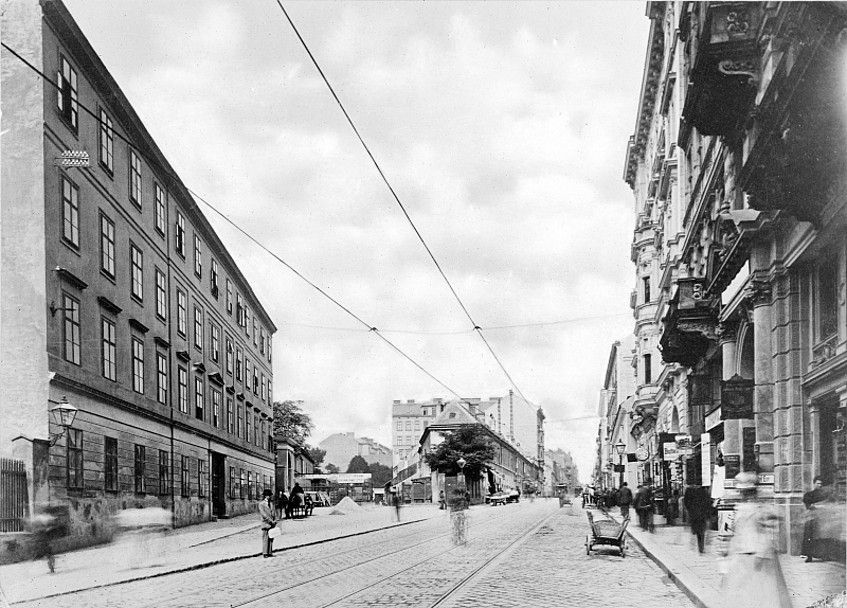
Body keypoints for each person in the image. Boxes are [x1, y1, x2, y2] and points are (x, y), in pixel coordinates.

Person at [721, 472, 790, 608]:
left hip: (758, 558)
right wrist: (726, 558)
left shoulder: (762, 509)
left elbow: (767, 534)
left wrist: (761, 554)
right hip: (741, 557)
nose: (745, 496)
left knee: (762, 594)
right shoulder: (737, 510)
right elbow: (732, 534)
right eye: (743, 492)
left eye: (747, 493)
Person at [683, 484, 711, 553]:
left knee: (696, 531)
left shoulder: (689, 490)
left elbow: (686, 502)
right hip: (701, 515)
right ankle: (700, 548)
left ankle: (694, 547)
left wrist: (690, 510)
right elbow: (707, 503)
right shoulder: (703, 491)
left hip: (694, 514)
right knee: (701, 532)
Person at [258, 489, 277, 558]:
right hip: (266, 523)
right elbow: (263, 515)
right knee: (265, 538)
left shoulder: (271, 503)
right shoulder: (261, 504)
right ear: (265, 496)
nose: (270, 497)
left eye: (270, 495)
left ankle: (270, 552)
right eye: (268, 495)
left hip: (272, 523)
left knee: (271, 538)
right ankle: (265, 553)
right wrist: (271, 521)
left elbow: (274, 512)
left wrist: (275, 520)